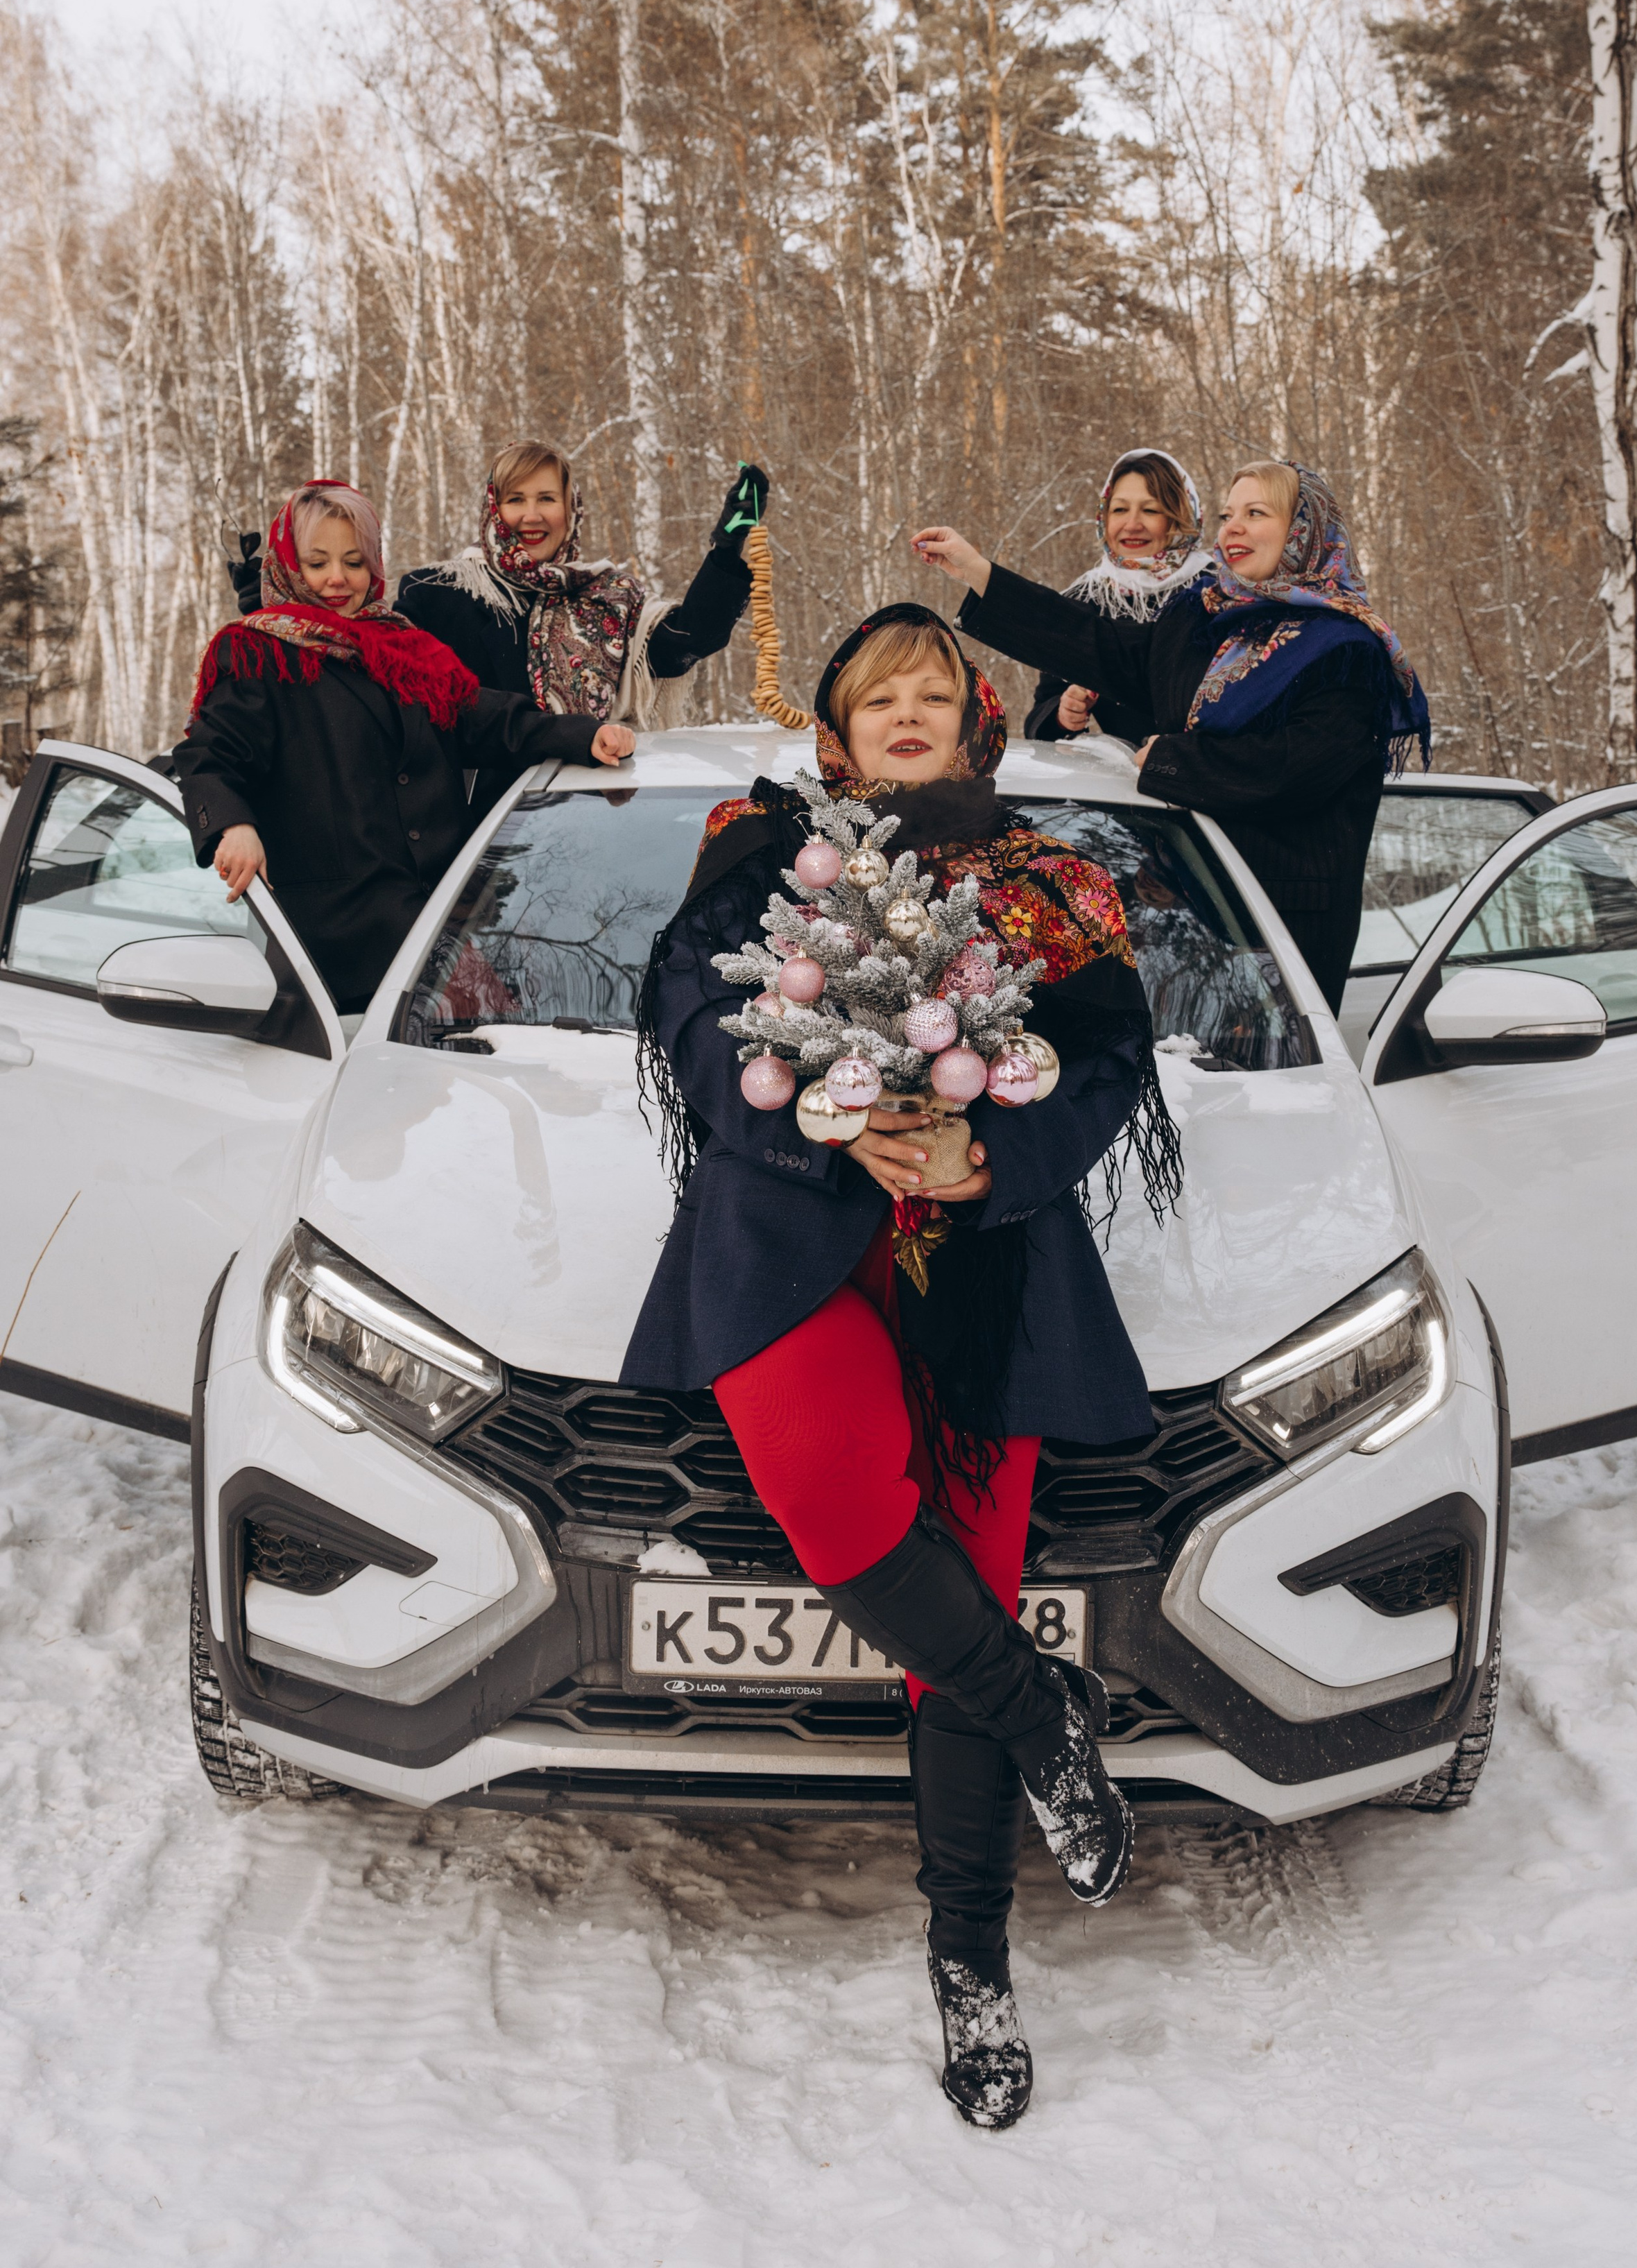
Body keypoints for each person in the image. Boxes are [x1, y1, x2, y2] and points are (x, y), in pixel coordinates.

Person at [622, 601, 1183, 2131]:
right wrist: (805, 1117)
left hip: (980, 1263)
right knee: (843, 1515)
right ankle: (1045, 1711)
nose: (912, 710)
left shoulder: (1045, 875)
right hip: (786, 1246)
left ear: (975, 720)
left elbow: (1109, 1057)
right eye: (883, 694)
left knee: (970, 1592)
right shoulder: (760, 848)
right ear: (836, 727)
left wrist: (979, 1153)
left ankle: (971, 1967)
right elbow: (686, 1019)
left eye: (939, 688)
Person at [913, 461, 1430, 1014]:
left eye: (1256, 514)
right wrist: (979, 571)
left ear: (1303, 530)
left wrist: (1171, 760)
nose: (1232, 528)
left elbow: (1293, 770)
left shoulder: (1345, 650)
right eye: (1229, 514)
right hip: (1178, 917)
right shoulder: (1203, 621)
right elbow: (1096, 642)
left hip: (1277, 926)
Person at [175, 479, 626, 1016]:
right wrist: (233, 826)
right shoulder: (258, 654)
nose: (338, 579)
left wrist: (582, 735)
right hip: (339, 950)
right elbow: (209, 755)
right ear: (289, 568)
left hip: (441, 920)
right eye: (317, 564)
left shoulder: (403, 648)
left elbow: (481, 717)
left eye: (354, 561)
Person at [394, 442, 761, 802]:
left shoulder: (609, 597)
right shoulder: (440, 593)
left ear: (572, 509)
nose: (532, 515)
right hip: (486, 833)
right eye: (516, 499)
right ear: (493, 507)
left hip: (594, 816)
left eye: (547, 499)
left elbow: (688, 639)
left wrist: (728, 543)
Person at [1025, 447, 1206, 745]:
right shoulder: (1085, 600)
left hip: (1211, 777)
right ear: (1103, 517)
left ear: (1178, 516)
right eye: (1120, 509)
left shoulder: (1215, 590)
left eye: (1150, 510)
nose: (1132, 524)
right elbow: (1039, 717)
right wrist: (1064, 714)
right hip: (1126, 785)